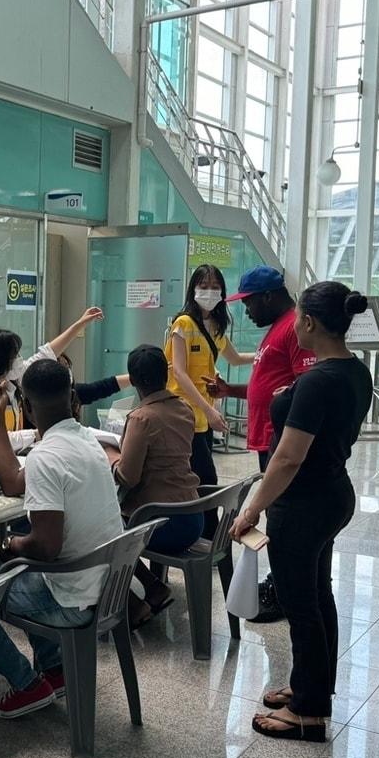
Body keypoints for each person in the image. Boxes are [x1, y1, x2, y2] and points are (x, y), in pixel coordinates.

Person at [229, 282, 372, 742]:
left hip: (304, 504)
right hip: (332, 493)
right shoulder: (354, 372)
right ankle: (311, 689)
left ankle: (308, 712)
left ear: (308, 322)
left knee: (299, 604)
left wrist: (253, 507)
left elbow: (288, 457)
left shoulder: (317, 382)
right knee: (318, 596)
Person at [0, 359, 124, 717]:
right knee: (16, 570)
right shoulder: (88, 439)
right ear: (74, 399)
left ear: (26, 406)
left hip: (73, 597)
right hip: (103, 585)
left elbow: (45, 547)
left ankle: (27, 684)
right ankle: (55, 669)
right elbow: (13, 482)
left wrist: (11, 547)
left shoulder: (46, 456)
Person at [211, 266, 315, 623]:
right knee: (277, 515)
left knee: (283, 518)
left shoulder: (293, 329)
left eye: (250, 303)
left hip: (281, 441)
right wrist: (232, 391)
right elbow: (268, 387)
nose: (247, 311)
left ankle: (285, 592)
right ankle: (281, 582)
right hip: (268, 438)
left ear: (268, 297)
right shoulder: (277, 327)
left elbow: (306, 389)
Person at [112, 345, 202, 628]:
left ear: (134, 380)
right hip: (192, 516)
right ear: (166, 373)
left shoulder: (141, 418)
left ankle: (130, 604)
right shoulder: (184, 408)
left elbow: (128, 477)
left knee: (102, 534)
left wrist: (112, 457)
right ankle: (153, 585)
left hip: (159, 524)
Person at [165, 264, 255, 537]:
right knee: (206, 478)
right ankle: (210, 538)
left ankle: (205, 536)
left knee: (202, 479)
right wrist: (210, 410)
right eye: (203, 286)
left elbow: (235, 358)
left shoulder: (216, 326)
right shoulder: (182, 324)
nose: (209, 292)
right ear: (193, 289)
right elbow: (179, 373)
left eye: (215, 287)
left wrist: (264, 353)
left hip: (203, 414)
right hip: (183, 413)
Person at [0, 307, 105, 440]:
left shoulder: (11, 381)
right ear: (0, 360)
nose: (20, 359)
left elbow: (48, 353)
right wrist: (35, 434)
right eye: (15, 355)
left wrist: (80, 324)